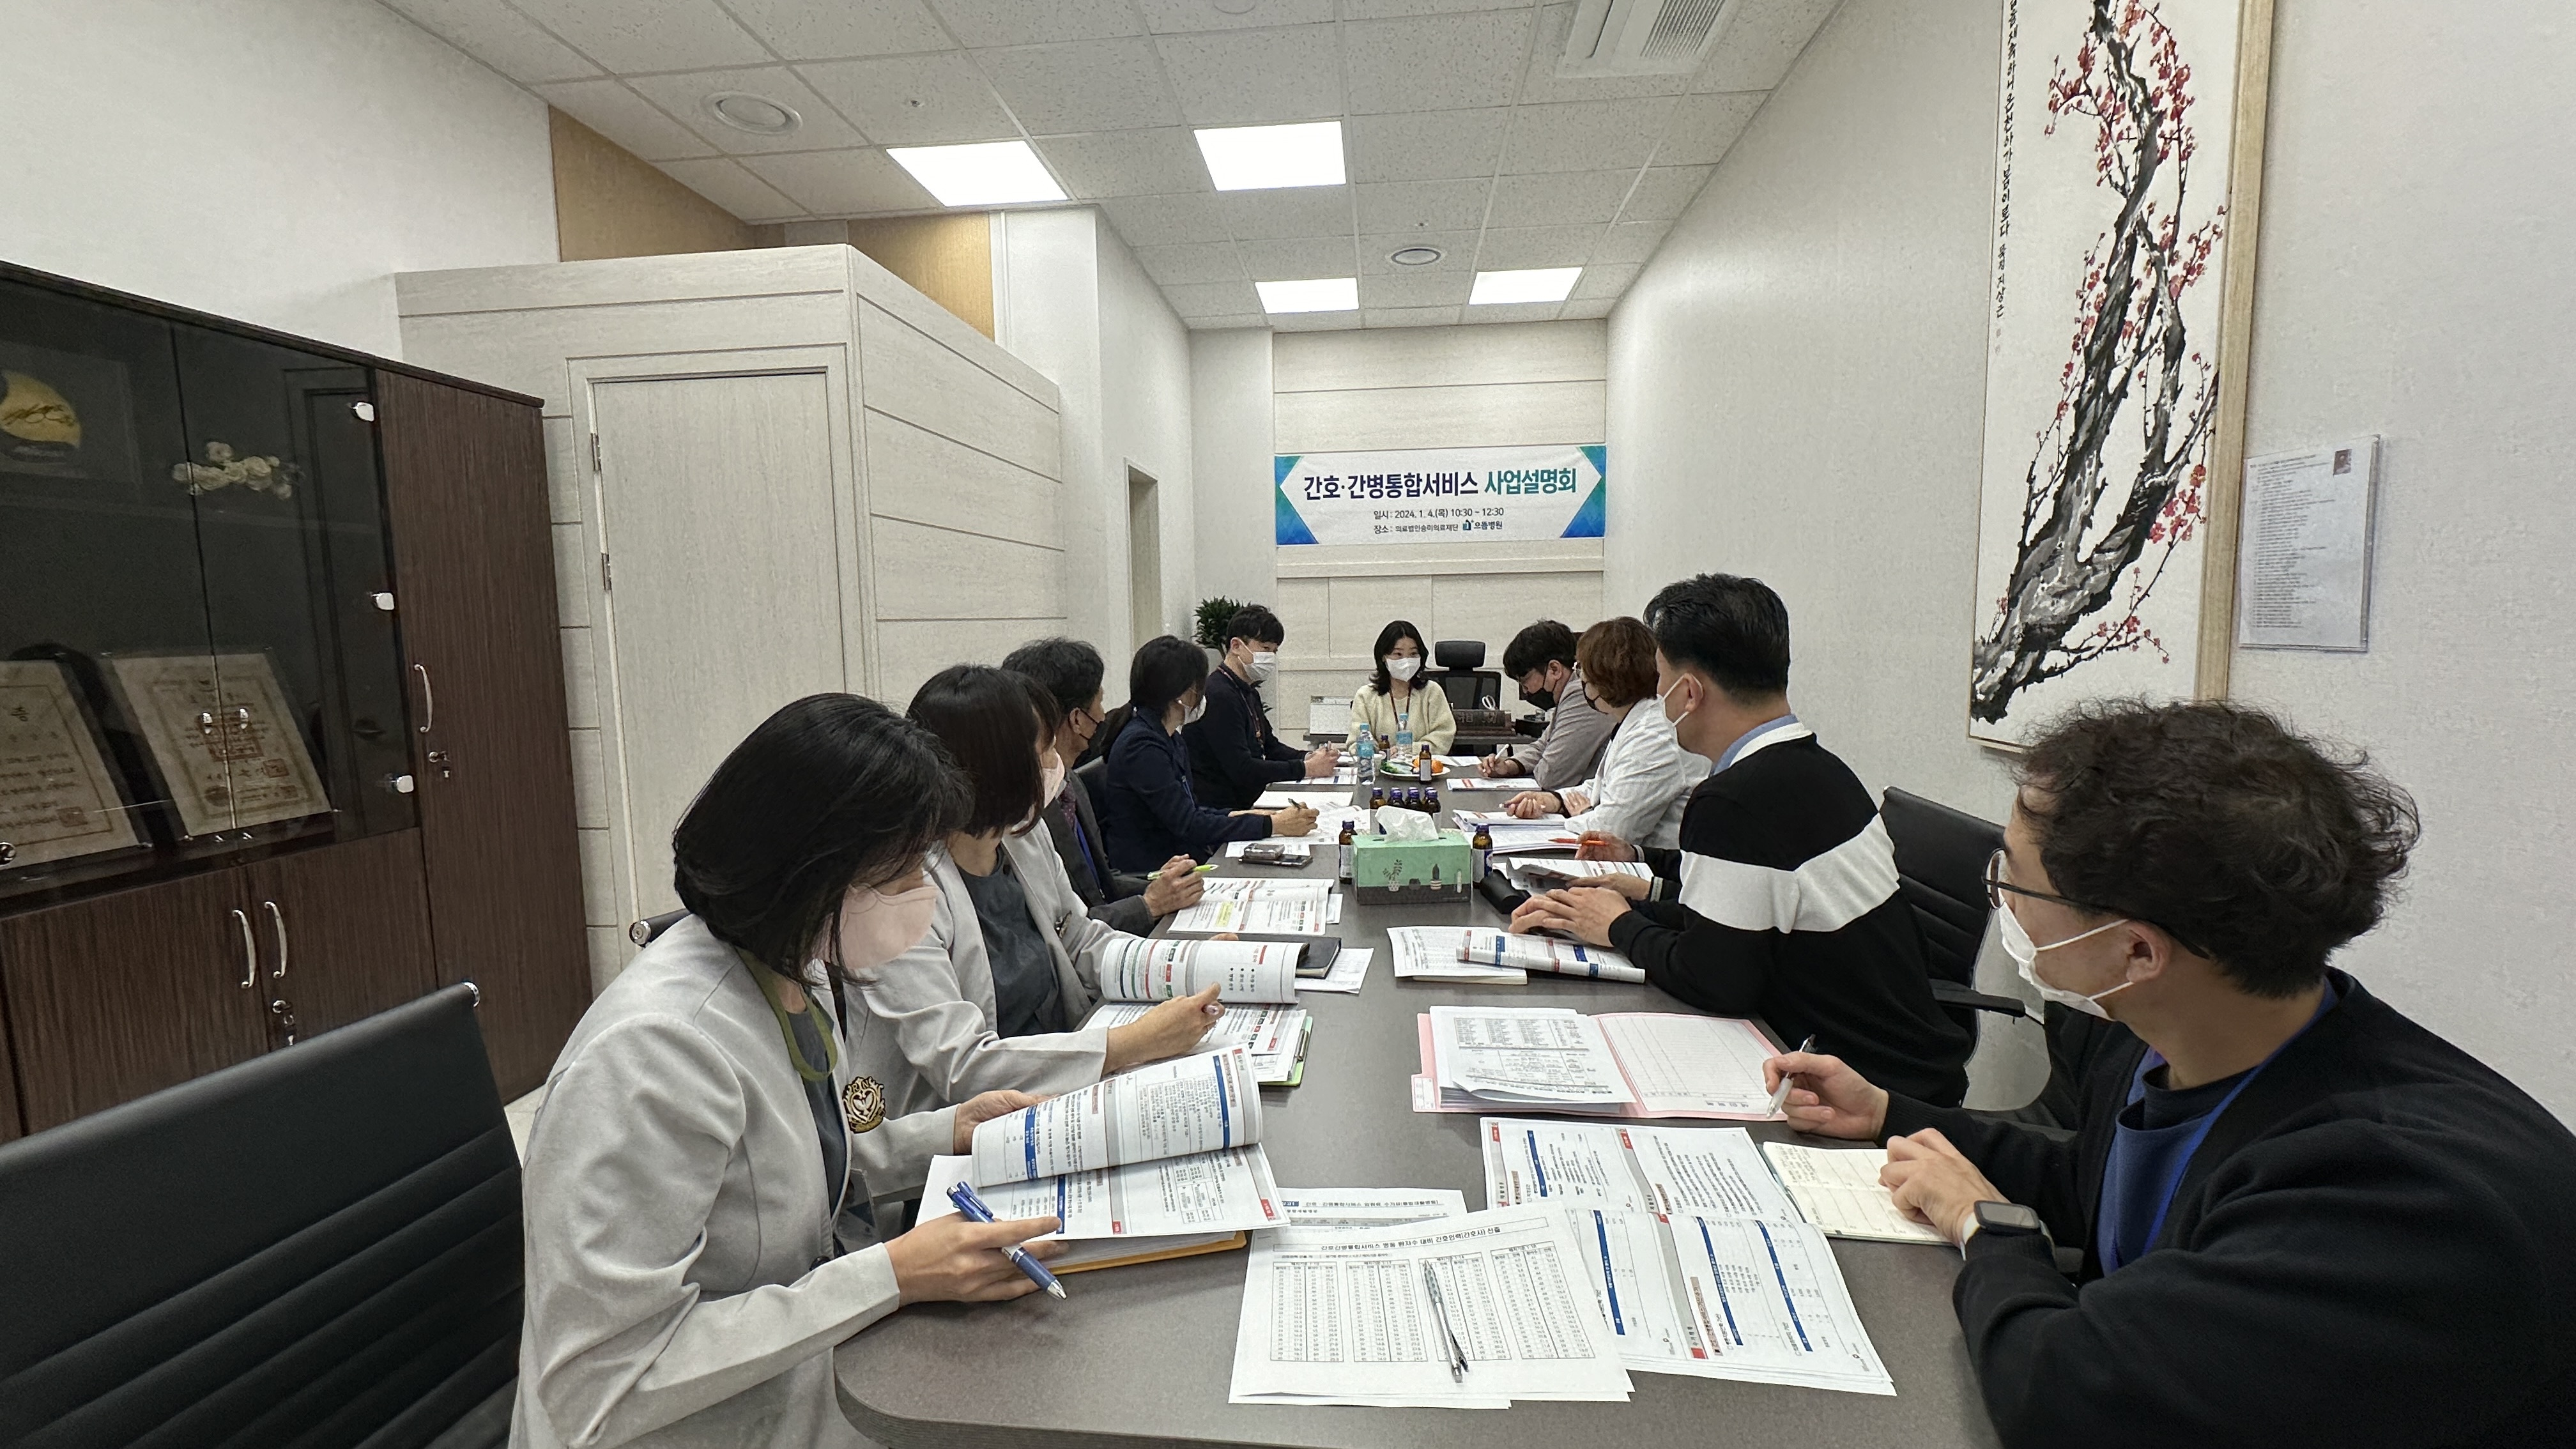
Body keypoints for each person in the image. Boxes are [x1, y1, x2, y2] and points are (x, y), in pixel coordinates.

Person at [1768, 700, 2576, 1445]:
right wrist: (1889, 1113)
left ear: (2137, 951)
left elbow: (2068, 1395)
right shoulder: (2159, 1038)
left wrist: (1990, 1231)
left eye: (2011, 881)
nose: (2001, 903)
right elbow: (2096, 1184)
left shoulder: (2387, 1198)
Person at [514, 694, 1066, 1449]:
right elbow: (603, 1385)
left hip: (794, 1365)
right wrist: (892, 1275)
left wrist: (948, 1131)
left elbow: (805, 1155)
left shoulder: (796, 969)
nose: (926, 893)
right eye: (905, 872)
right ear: (815, 870)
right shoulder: (654, 1054)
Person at [1510, 575, 1972, 1105]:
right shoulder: (1820, 770)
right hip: (1904, 1059)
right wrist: (1636, 901)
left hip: (1857, 1086)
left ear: (1689, 693)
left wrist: (1618, 925)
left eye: (1661, 682)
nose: (1657, 698)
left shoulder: (1736, 800)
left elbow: (1714, 979)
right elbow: (1743, 925)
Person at [838, 666, 1227, 1123]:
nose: (1056, 763)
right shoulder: (900, 889)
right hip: (958, 1124)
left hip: (1063, 1078)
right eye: (1044, 749)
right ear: (998, 769)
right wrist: (1135, 1042)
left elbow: (1081, 938)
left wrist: (1184, 965)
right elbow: (963, 1066)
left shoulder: (1022, 835)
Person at [1002, 636, 1204, 933]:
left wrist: (1157, 883)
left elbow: (1101, 883)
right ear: (1077, 719)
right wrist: (1150, 904)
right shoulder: (1021, 815)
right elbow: (1064, 928)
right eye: (1099, 701)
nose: (1102, 714)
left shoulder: (1070, 783)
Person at [1102, 634, 1317, 870]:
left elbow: (1191, 809)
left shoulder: (1169, 736)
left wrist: (1251, 816)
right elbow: (1189, 824)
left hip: (1180, 855)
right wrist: (1273, 826)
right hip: (1157, 869)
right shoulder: (1142, 747)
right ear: (1181, 693)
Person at [1501, 616, 1706, 849]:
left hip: (1651, 861)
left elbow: (1612, 830)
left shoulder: (1653, 736)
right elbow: (1606, 786)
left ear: (1605, 679)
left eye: (1583, 670)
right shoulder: (1636, 719)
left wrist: (1585, 813)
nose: (1579, 677)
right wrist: (1555, 800)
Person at [1184, 603, 1340, 808]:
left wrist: (1309, 757)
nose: (1270, 658)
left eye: (1274, 651)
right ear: (1236, 646)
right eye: (1265, 649)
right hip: (1222, 809)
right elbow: (1242, 768)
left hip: (1250, 800)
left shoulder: (1247, 691)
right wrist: (1306, 769)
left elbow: (1270, 746)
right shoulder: (1218, 694)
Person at [1480, 618, 1614, 789]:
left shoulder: (1582, 696)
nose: (1526, 690)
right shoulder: (1569, 693)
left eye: (1525, 680)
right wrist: (1509, 766)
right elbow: (1543, 746)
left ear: (1555, 669)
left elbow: (1551, 776)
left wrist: (1538, 766)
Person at [1346, 618, 1456, 758]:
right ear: (1384, 657)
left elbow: (1443, 736)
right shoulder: (1366, 695)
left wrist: (1408, 749)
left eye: (1413, 654)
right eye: (1398, 654)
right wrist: (1377, 753)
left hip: (1421, 767)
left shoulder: (1432, 692)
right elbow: (1356, 741)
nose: (1406, 661)